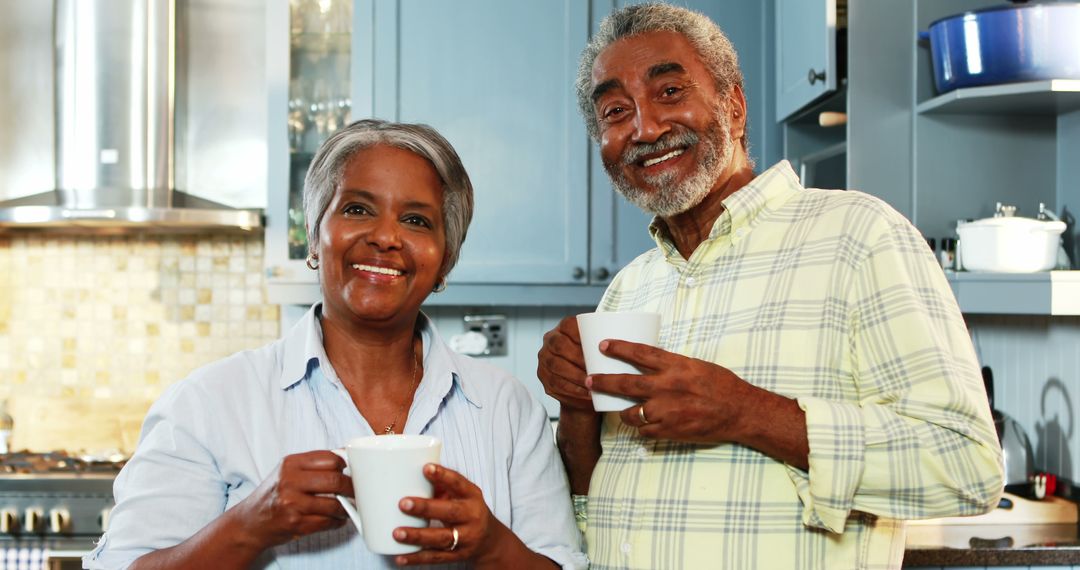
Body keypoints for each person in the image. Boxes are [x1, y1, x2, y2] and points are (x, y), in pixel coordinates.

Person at [537, 4, 1004, 569]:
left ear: (733, 107)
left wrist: (744, 412)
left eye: (669, 91)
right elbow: (591, 506)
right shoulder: (630, 288)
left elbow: (967, 465)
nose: (644, 128)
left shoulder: (859, 236)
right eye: (615, 110)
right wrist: (577, 405)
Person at [86, 119, 587, 570]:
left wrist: (492, 546)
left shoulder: (506, 407)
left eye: (416, 220)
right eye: (356, 208)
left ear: (445, 260)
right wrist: (247, 525)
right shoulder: (209, 402)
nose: (385, 237)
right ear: (313, 238)